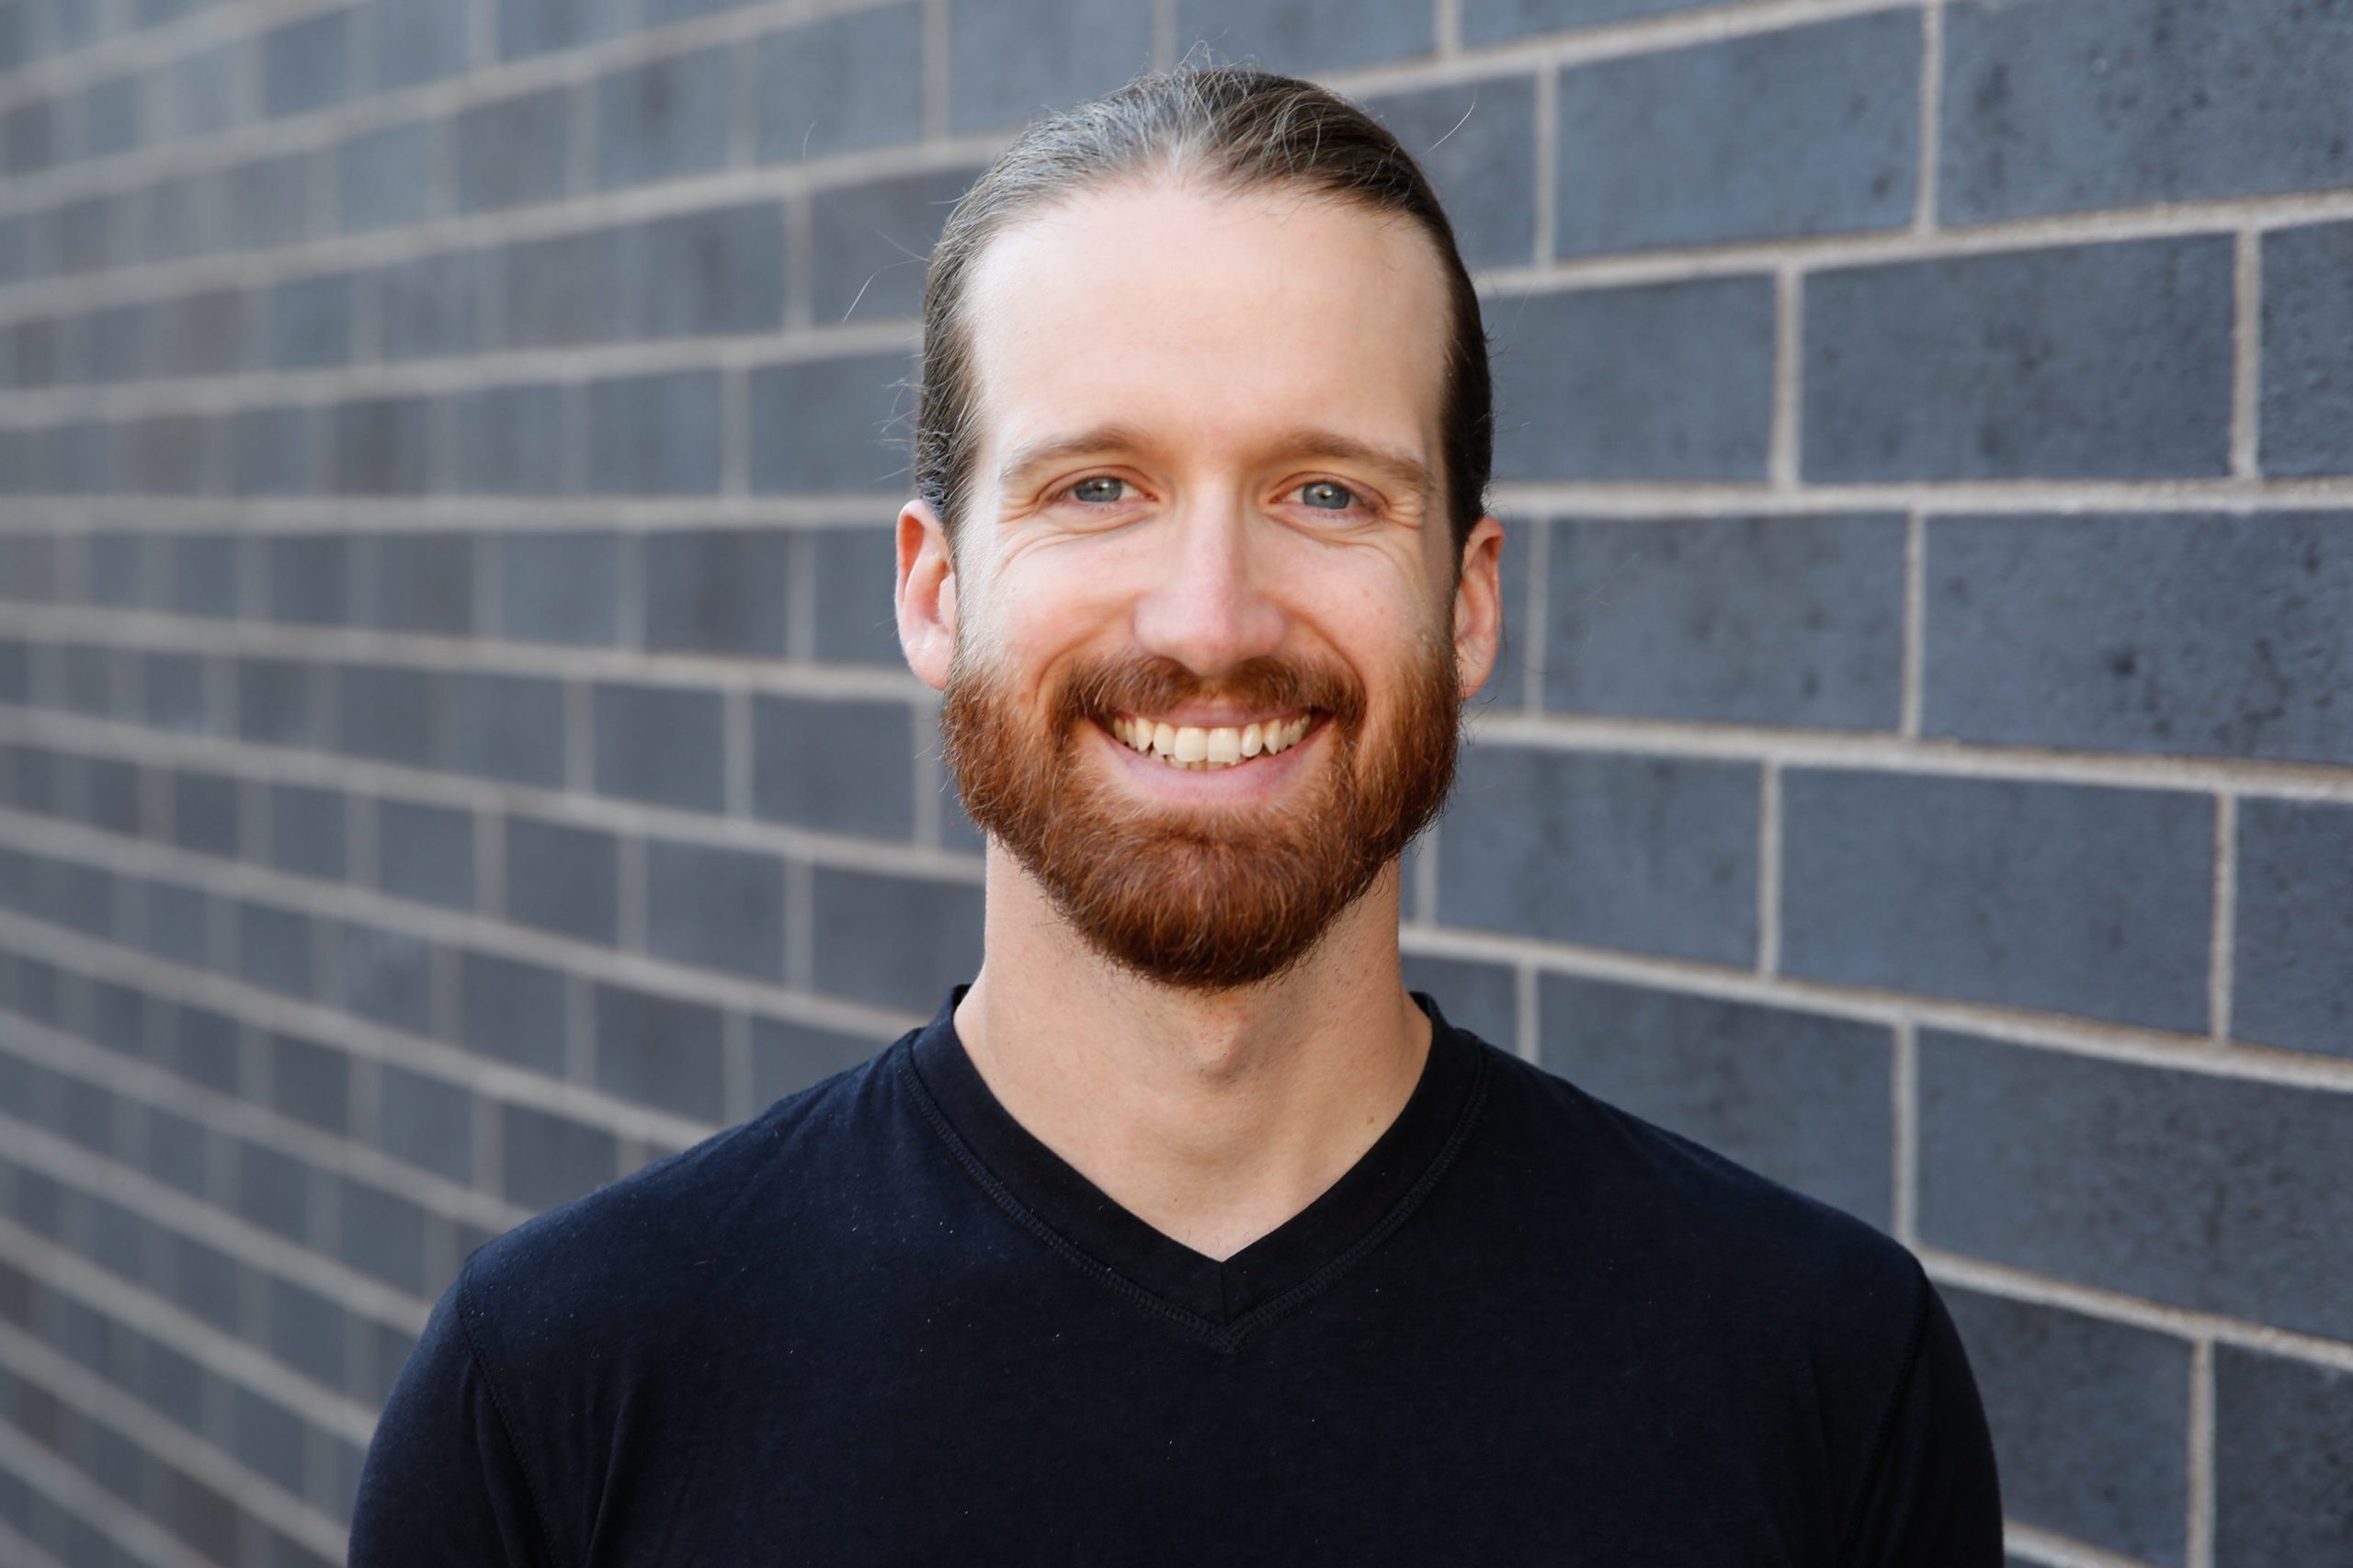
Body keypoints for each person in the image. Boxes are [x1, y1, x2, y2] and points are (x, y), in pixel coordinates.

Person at [349, 63, 2003, 1564]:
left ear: (1470, 603)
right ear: (934, 592)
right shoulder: (565, 1398)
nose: (1210, 618)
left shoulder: (1817, 1375)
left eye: (1327, 494)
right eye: (1098, 488)